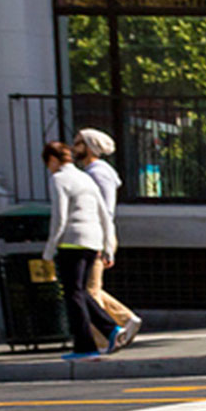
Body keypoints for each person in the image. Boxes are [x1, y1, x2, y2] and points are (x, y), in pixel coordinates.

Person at [42, 141, 121, 362]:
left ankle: (85, 345)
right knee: (80, 291)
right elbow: (104, 214)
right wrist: (107, 246)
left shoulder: (59, 179)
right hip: (92, 241)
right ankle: (111, 328)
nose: (49, 168)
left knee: (72, 294)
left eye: (48, 163)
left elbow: (59, 218)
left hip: (71, 242)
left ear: (54, 160)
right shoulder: (85, 178)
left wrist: (49, 250)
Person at [72, 129, 140, 350]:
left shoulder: (98, 174)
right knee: (87, 286)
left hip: (97, 235)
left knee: (89, 290)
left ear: (90, 147)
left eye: (78, 143)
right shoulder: (93, 172)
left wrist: (104, 243)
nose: (74, 148)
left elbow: (104, 210)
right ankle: (125, 318)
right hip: (96, 235)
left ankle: (104, 339)